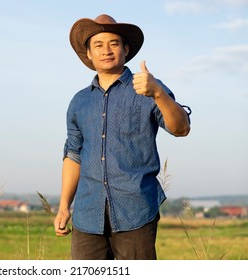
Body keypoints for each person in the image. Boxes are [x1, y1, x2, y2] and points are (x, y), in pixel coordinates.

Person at [54, 14, 191, 260]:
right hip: (87, 215)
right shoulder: (79, 102)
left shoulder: (148, 87)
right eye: (98, 44)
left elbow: (181, 128)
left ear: (126, 49)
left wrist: (158, 93)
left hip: (136, 210)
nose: (106, 50)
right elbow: (74, 154)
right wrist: (64, 206)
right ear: (88, 54)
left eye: (114, 43)